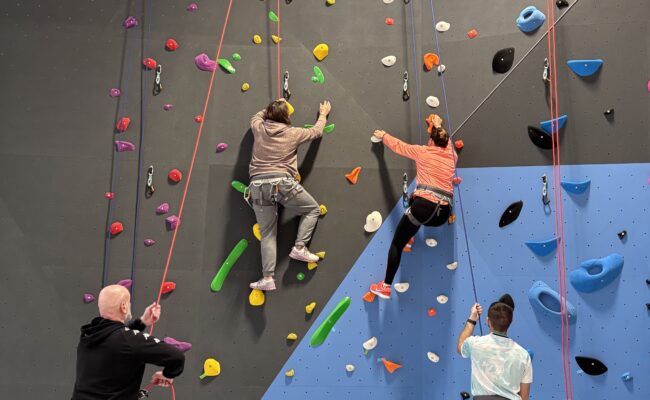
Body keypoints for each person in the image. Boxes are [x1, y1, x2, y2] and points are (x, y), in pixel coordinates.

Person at [247, 98, 332, 291]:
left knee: (268, 233)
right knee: (312, 210)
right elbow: (316, 132)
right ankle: (299, 248)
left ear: (268, 114)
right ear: (286, 116)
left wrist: (272, 106)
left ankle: (268, 278)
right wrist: (323, 115)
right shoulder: (293, 133)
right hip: (281, 183)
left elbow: (255, 116)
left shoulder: (258, 127)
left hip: (257, 185)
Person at [369, 114, 455, 299]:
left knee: (397, 244)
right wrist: (439, 126)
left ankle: (385, 286)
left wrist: (383, 135)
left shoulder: (423, 151)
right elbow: (447, 143)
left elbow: (400, 146)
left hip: (423, 208)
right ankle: (409, 236)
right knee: (414, 220)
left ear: (431, 140)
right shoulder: (451, 155)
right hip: (443, 214)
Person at [71, 285, 185, 400]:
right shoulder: (127, 340)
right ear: (124, 306)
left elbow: (117, 336)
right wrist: (168, 374)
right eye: (128, 302)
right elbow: (177, 356)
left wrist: (142, 322)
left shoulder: (89, 334)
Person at [457, 295, 533, 400]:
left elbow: (460, 347)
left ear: (488, 321)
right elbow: (524, 397)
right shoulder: (523, 355)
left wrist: (472, 318)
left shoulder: (475, 343)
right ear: (510, 322)